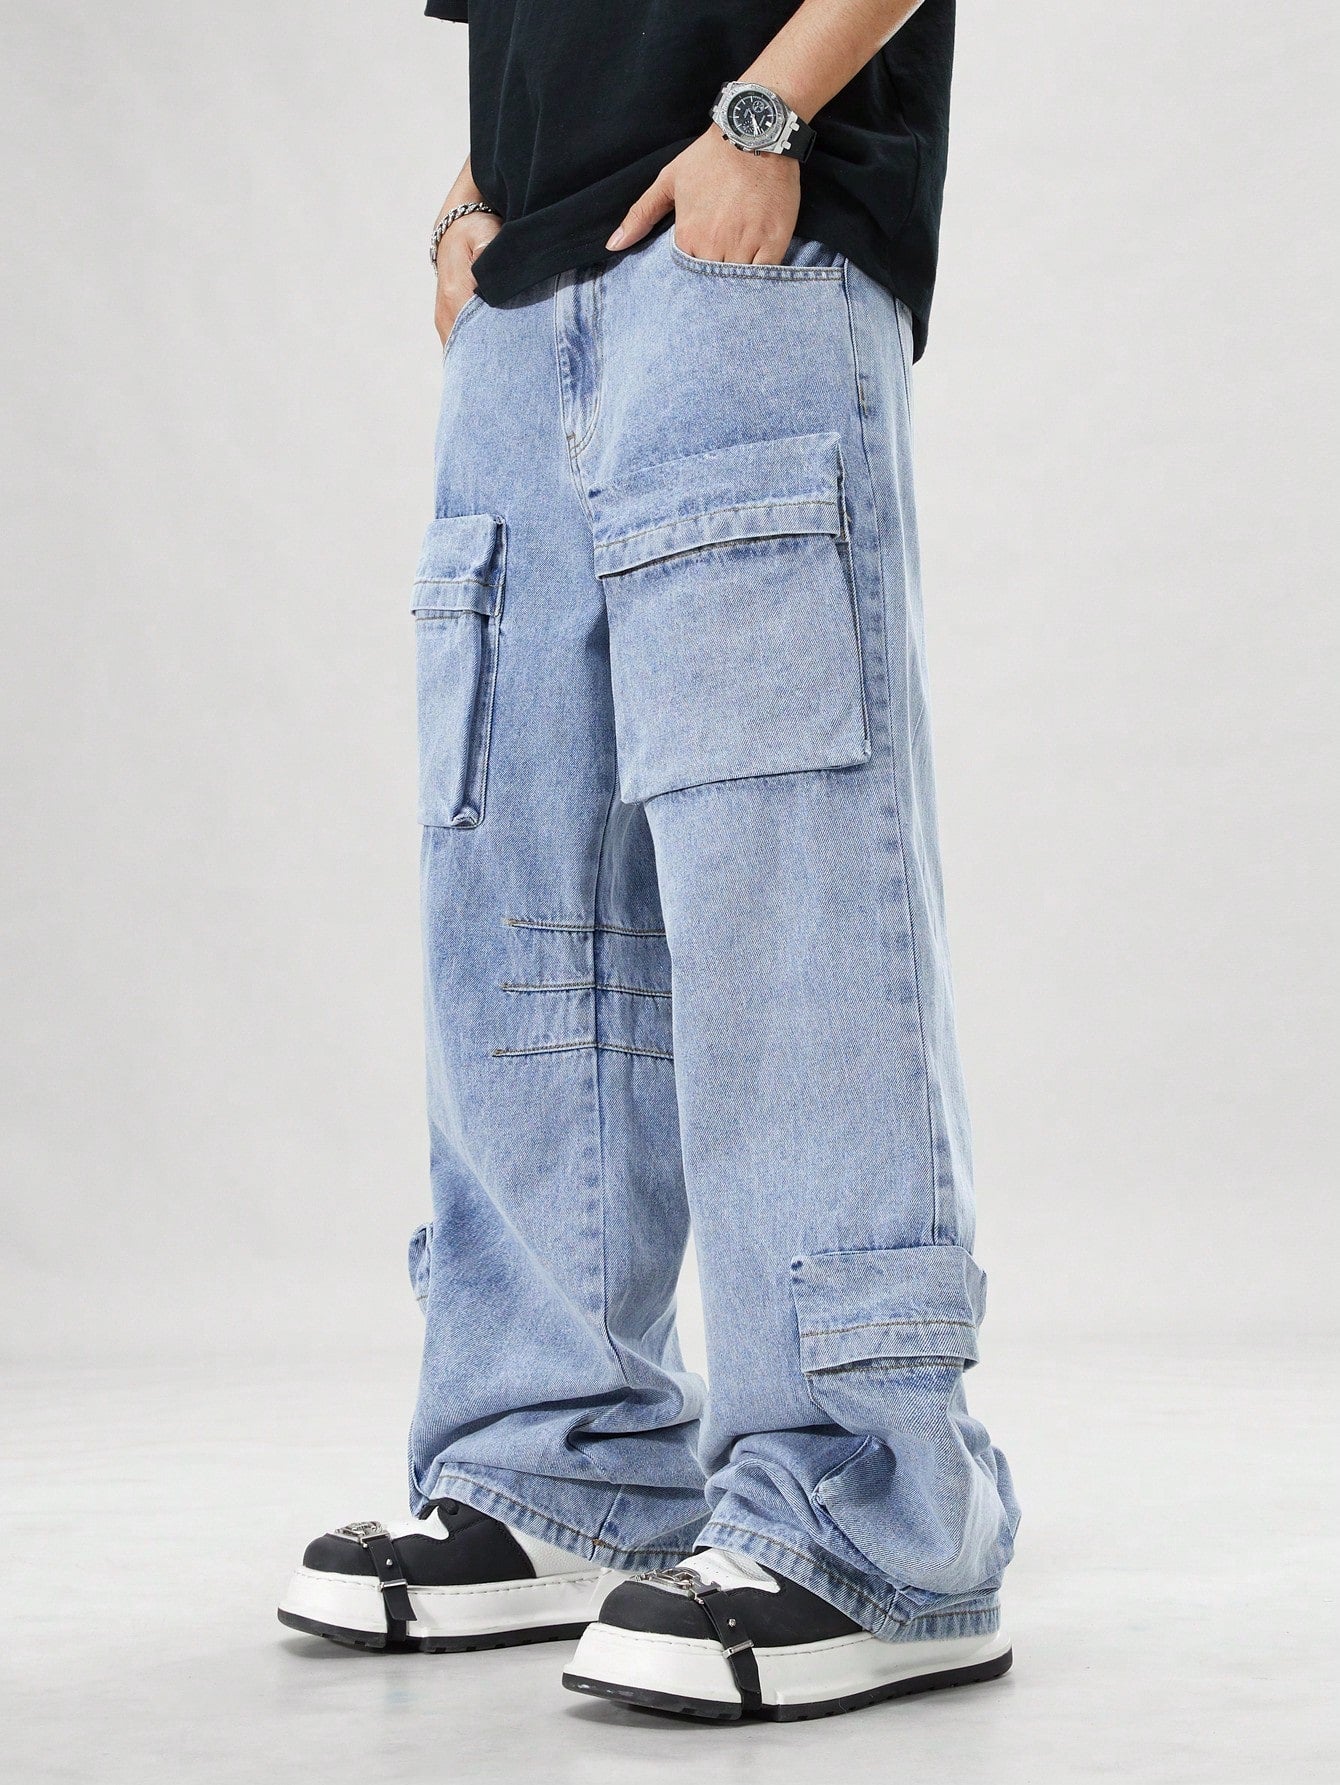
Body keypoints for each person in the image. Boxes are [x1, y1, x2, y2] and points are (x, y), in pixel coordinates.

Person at [278, 0, 1020, 1722]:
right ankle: (556, 1457)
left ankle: (876, 1509)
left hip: (750, 234)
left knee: (784, 885)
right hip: (522, 293)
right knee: (519, 889)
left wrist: (767, 118)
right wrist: (468, 204)